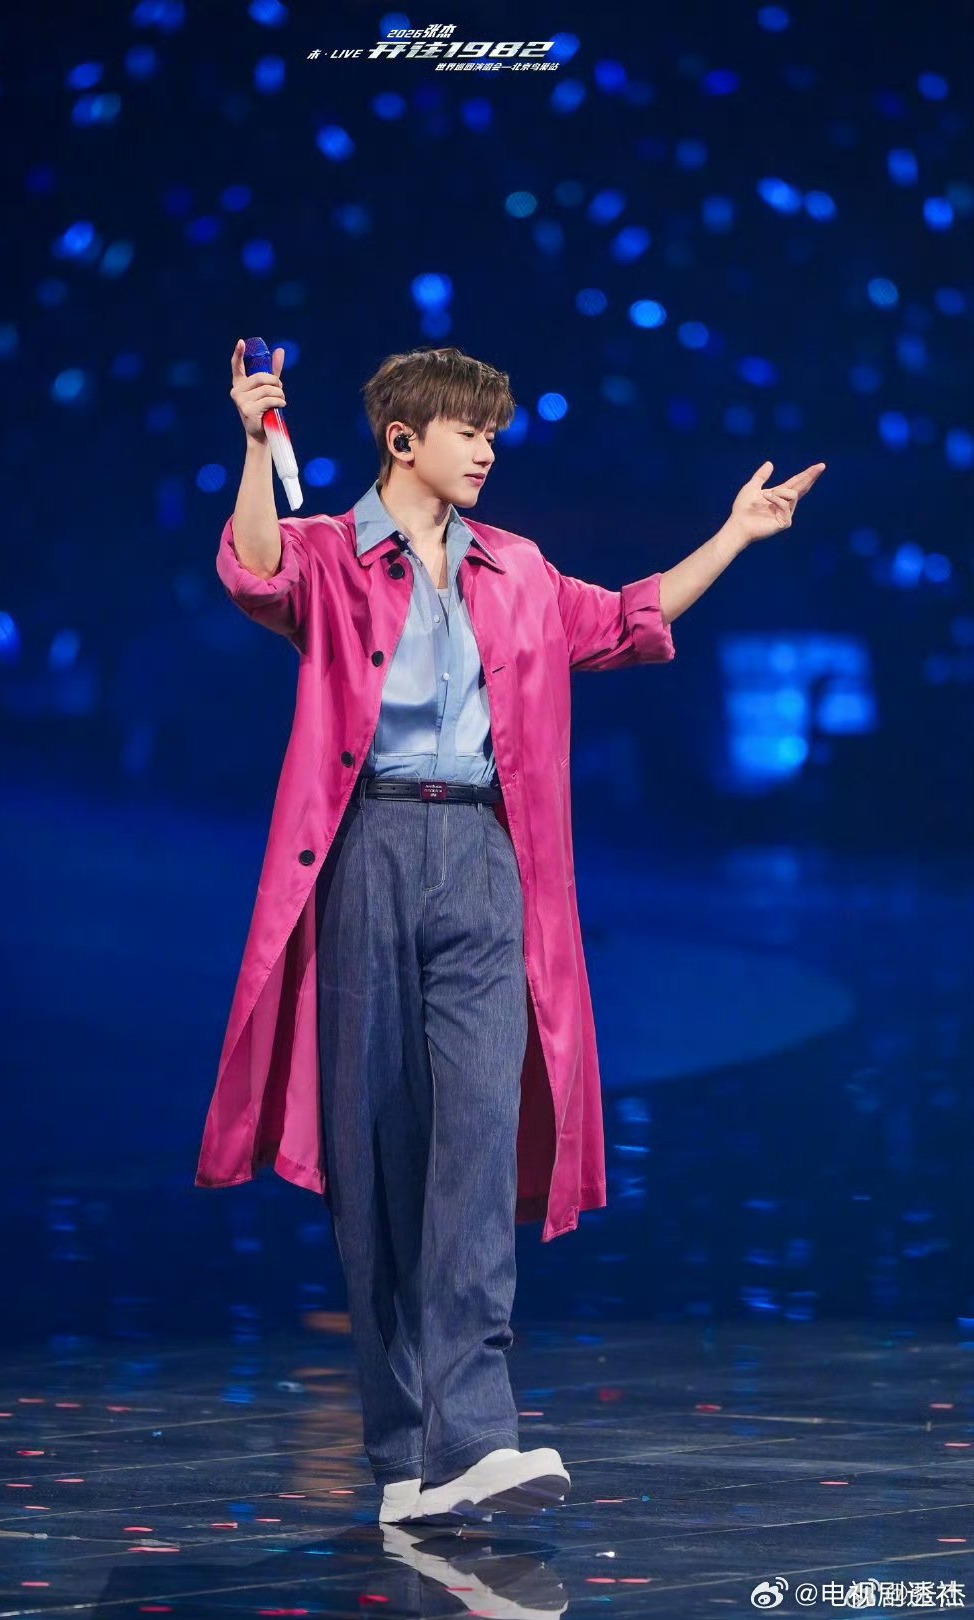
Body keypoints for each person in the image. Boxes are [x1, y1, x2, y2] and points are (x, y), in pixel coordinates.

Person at [196, 338, 826, 1527]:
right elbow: (254, 573)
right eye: (468, 430)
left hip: (489, 861)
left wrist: (735, 536)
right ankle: (403, 1456)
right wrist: (250, 441)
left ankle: (476, 1433)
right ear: (403, 440)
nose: (488, 449)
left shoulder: (519, 568)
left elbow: (626, 620)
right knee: (375, 1158)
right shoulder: (331, 552)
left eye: (494, 432)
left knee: (480, 1141)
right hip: (367, 852)